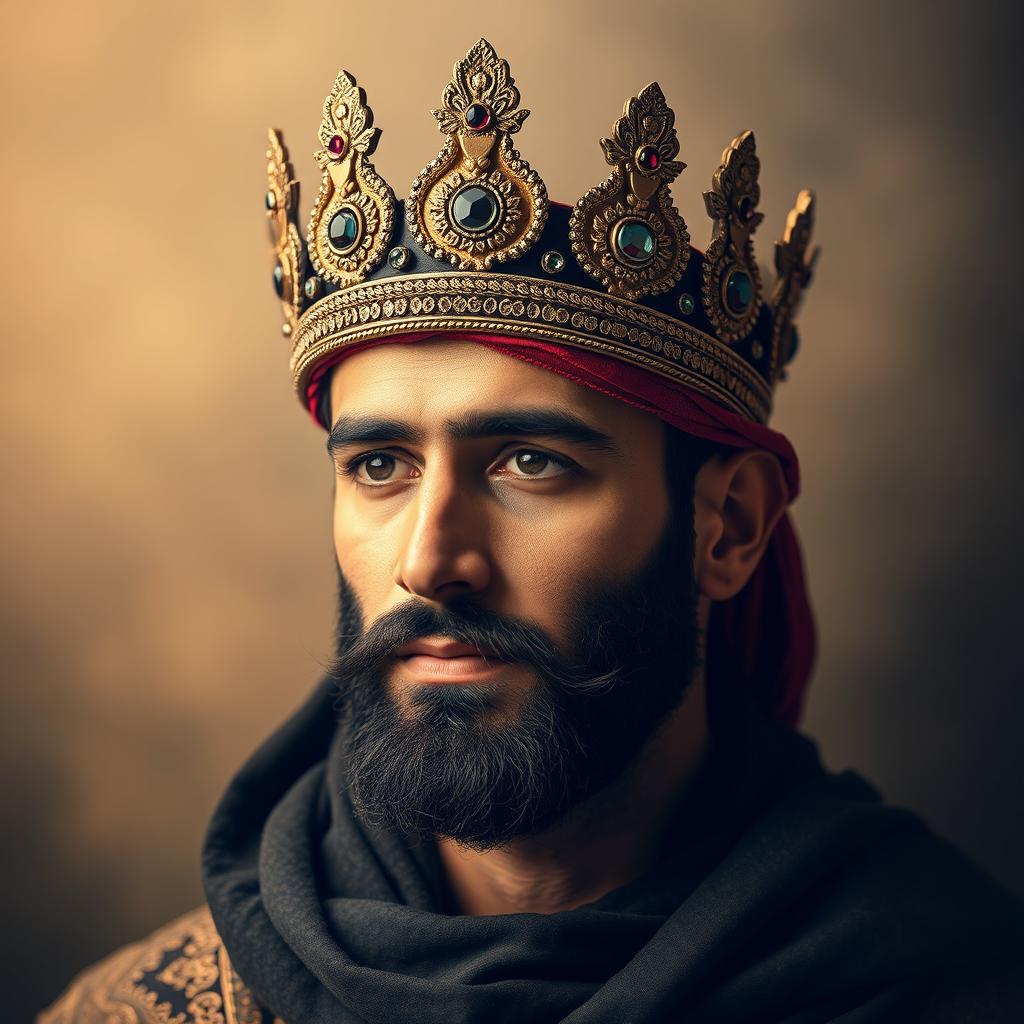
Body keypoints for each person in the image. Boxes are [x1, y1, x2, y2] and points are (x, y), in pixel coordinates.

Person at [41, 39, 1023, 1024]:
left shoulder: (954, 984)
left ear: (727, 526)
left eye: (530, 463)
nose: (430, 560)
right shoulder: (137, 1009)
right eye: (379, 466)